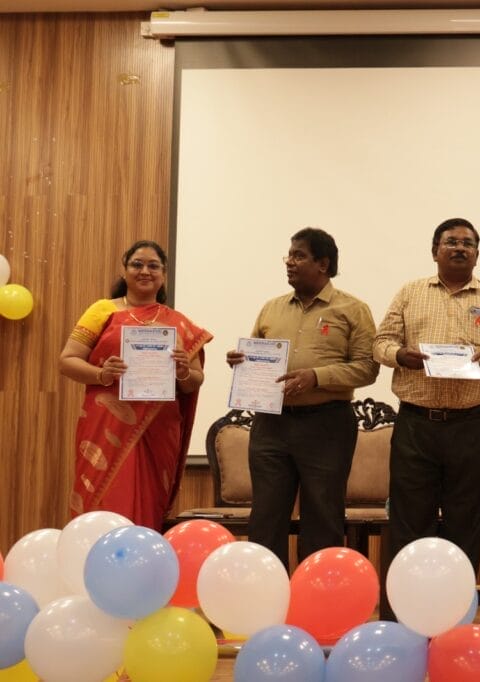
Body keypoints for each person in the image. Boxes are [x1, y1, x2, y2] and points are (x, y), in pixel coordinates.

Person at [373, 217, 480, 580]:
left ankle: (458, 603)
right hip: (416, 425)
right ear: (434, 251)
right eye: (451, 242)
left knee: (465, 521)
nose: (459, 248)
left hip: (471, 425)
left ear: (477, 254)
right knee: (409, 521)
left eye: (467, 243)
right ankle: (408, 602)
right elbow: (381, 343)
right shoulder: (410, 293)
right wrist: (400, 355)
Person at [226, 227, 378, 569]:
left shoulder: (353, 309)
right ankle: (266, 592)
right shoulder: (271, 308)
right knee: (266, 517)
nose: (289, 262)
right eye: (289, 255)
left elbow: (367, 369)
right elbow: (255, 357)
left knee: (322, 517)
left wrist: (316, 377)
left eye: (299, 256)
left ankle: (318, 593)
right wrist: (241, 362)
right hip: (271, 424)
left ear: (323, 264)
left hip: (326, 425)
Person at [59, 240, 212, 531]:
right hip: (107, 425)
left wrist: (183, 371)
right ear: (125, 270)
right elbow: (67, 361)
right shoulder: (102, 311)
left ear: (163, 274)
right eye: (137, 264)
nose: (145, 271)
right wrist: (102, 374)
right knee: (104, 504)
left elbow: (195, 380)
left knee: (148, 508)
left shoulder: (178, 323)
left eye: (153, 266)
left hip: (157, 430)